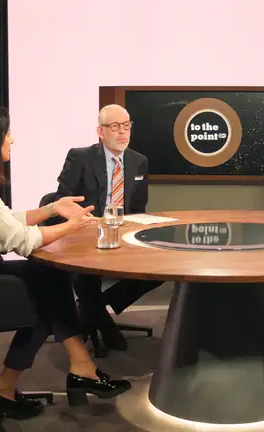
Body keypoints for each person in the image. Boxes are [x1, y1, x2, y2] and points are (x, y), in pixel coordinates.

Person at [0, 105, 131, 420]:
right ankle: (49, 376)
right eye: (7, 134)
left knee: (50, 276)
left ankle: (76, 368)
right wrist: (72, 226)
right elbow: (22, 240)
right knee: (43, 299)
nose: (12, 139)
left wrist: (53, 209)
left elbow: (6, 219)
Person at [48, 104, 164, 352]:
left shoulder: (138, 161)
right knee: (85, 276)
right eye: (115, 127)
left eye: (126, 126)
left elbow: (138, 207)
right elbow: (62, 199)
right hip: (86, 231)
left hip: (123, 232)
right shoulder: (80, 157)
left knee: (159, 270)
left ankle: (96, 307)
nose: (122, 132)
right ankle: (103, 321)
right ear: (100, 132)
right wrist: (84, 220)